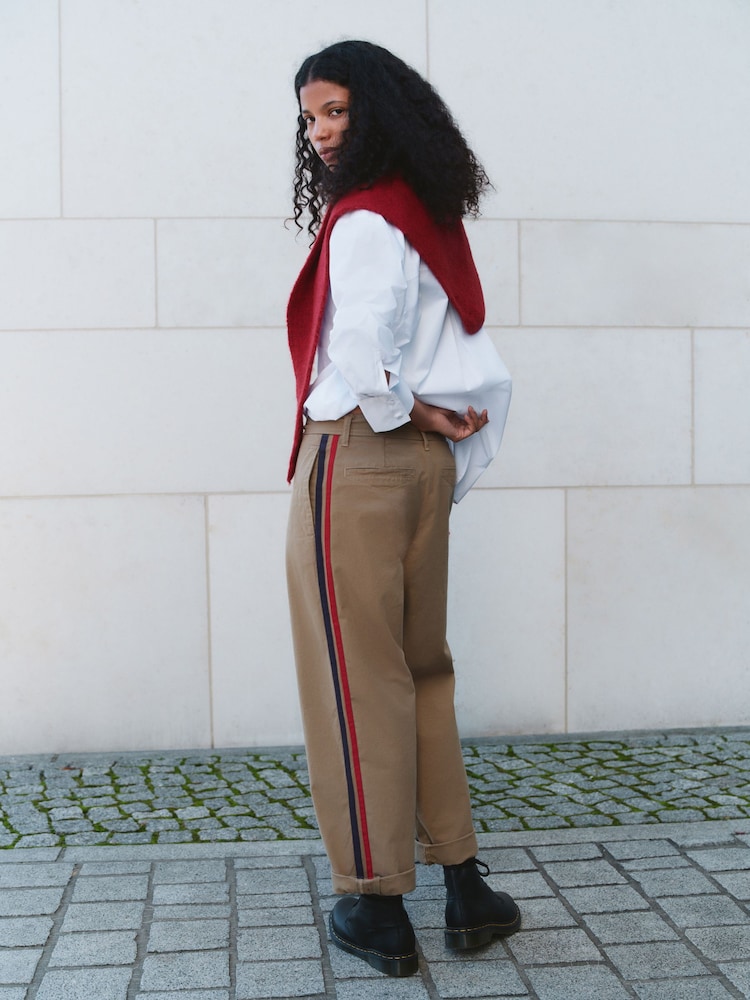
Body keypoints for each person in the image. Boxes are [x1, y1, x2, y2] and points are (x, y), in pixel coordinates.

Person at [284, 40, 518, 978]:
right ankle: (465, 885)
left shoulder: (363, 223)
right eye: (311, 117)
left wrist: (398, 403)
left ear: (378, 109)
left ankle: (375, 905)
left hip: (359, 456)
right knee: (422, 671)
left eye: (336, 110)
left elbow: (365, 351)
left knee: (353, 678)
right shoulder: (424, 212)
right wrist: (424, 415)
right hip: (423, 471)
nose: (323, 131)